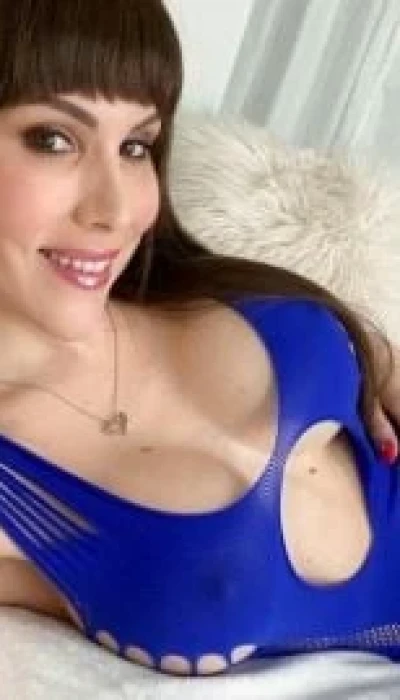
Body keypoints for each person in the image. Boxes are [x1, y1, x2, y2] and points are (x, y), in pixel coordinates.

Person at [0, 0, 398, 680]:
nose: (116, 210)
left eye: (136, 146)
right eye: (54, 139)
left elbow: (375, 354)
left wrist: (377, 356)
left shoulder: (198, 286)